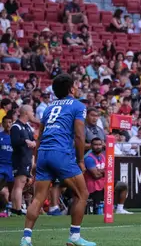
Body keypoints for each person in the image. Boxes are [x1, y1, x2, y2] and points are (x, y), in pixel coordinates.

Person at [21, 74, 96, 246]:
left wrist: (35, 161)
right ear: (71, 89)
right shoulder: (78, 105)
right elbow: (78, 135)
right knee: (82, 193)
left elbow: (39, 137)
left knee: (38, 198)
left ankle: (26, 239)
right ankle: (74, 237)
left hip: (44, 153)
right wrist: (81, 161)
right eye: (75, 86)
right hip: (60, 153)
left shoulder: (48, 108)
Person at [11, 105, 35, 217]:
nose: (33, 114)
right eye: (32, 112)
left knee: (20, 184)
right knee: (19, 184)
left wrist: (33, 142)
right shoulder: (16, 126)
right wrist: (26, 141)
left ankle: (15, 208)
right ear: (26, 113)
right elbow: (15, 141)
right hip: (20, 158)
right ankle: (17, 209)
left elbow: (32, 140)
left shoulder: (27, 127)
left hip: (26, 158)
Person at [0, 114, 13, 215]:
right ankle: (5, 206)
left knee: (13, 190)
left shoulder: (16, 137)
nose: (8, 124)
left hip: (12, 167)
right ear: (2, 124)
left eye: (10, 122)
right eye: (6, 122)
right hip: (1, 166)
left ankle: (11, 209)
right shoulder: (0, 136)